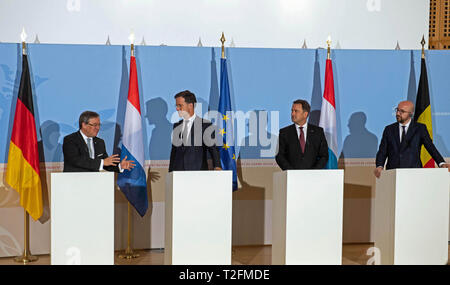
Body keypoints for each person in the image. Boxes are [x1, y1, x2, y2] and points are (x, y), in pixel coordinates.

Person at [374, 100, 450, 178]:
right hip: (393, 173)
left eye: (402, 111)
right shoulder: (389, 129)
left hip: (414, 173)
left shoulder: (420, 128)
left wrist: (441, 163)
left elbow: (430, 147)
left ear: (410, 114)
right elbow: (382, 151)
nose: (397, 113)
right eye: (397, 110)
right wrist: (379, 166)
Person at [63, 111, 135, 172]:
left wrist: (120, 166)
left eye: (99, 125)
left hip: (95, 183)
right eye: (94, 125)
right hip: (73, 182)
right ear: (84, 125)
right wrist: (103, 162)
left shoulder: (100, 142)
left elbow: (105, 163)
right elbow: (76, 161)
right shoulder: (70, 140)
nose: (98, 128)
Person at [169, 90, 221, 172]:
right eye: (176, 106)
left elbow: (213, 149)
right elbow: (174, 152)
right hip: (178, 174)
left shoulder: (205, 125)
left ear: (190, 105)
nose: (177, 108)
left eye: (180, 105)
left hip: (198, 172)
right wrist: (170, 172)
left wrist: (217, 166)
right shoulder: (176, 126)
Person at [275, 99, 328, 170]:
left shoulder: (318, 132)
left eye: (296, 111)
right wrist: (291, 172)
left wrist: (314, 171)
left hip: (313, 176)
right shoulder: (285, 132)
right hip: (292, 177)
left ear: (305, 114)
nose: (292, 114)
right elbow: (280, 156)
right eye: (292, 111)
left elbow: (324, 155)